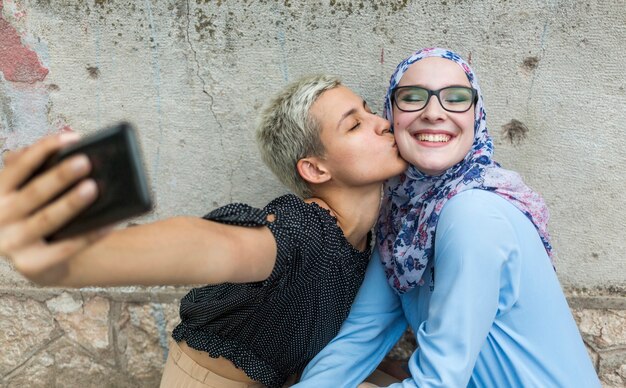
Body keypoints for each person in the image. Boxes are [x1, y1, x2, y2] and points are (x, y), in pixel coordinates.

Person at [0, 75, 407, 387]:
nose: (381, 123)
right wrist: (79, 261)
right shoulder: (304, 228)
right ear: (316, 169)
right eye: (354, 125)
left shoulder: (367, 238)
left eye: (370, 110)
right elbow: (213, 246)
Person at [295, 48, 601, 387]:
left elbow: (438, 383)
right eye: (412, 97)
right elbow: (360, 336)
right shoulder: (405, 221)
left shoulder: (474, 213)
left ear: (477, 116)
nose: (434, 113)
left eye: (455, 98)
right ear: (391, 116)